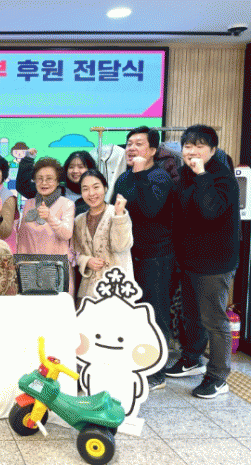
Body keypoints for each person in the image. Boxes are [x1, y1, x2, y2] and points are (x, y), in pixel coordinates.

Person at [165, 125, 240, 399]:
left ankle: (218, 376)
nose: (192, 151)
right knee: (191, 315)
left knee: (214, 319)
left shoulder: (222, 177)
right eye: (188, 146)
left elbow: (210, 211)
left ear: (212, 150)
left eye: (199, 146)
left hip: (216, 262)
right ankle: (192, 359)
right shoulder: (183, 175)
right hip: (190, 260)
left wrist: (202, 175)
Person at [111, 126, 177, 391]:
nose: (131, 148)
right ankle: (138, 363)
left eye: (138, 144)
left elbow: (151, 210)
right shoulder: (124, 178)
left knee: (155, 313)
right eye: (129, 144)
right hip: (129, 256)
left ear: (152, 151)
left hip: (156, 256)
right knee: (135, 312)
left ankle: (157, 372)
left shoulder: (160, 177)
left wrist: (140, 175)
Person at [17, 157, 75, 295]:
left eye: (49, 179)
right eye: (39, 179)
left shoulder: (67, 204)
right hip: (29, 271)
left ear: (57, 181)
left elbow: (67, 233)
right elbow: (22, 239)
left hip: (57, 269)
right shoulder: (29, 204)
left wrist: (50, 217)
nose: (44, 183)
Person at [73, 169, 133, 299]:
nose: (91, 193)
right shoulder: (79, 220)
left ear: (105, 188)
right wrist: (87, 261)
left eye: (96, 187)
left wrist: (119, 215)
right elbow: (75, 253)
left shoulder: (117, 213)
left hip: (116, 287)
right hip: (89, 290)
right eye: (85, 189)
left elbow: (121, 246)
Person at [63, 151, 97, 216]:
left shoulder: (96, 194)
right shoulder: (58, 192)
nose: (75, 171)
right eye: (71, 167)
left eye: (81, 167)